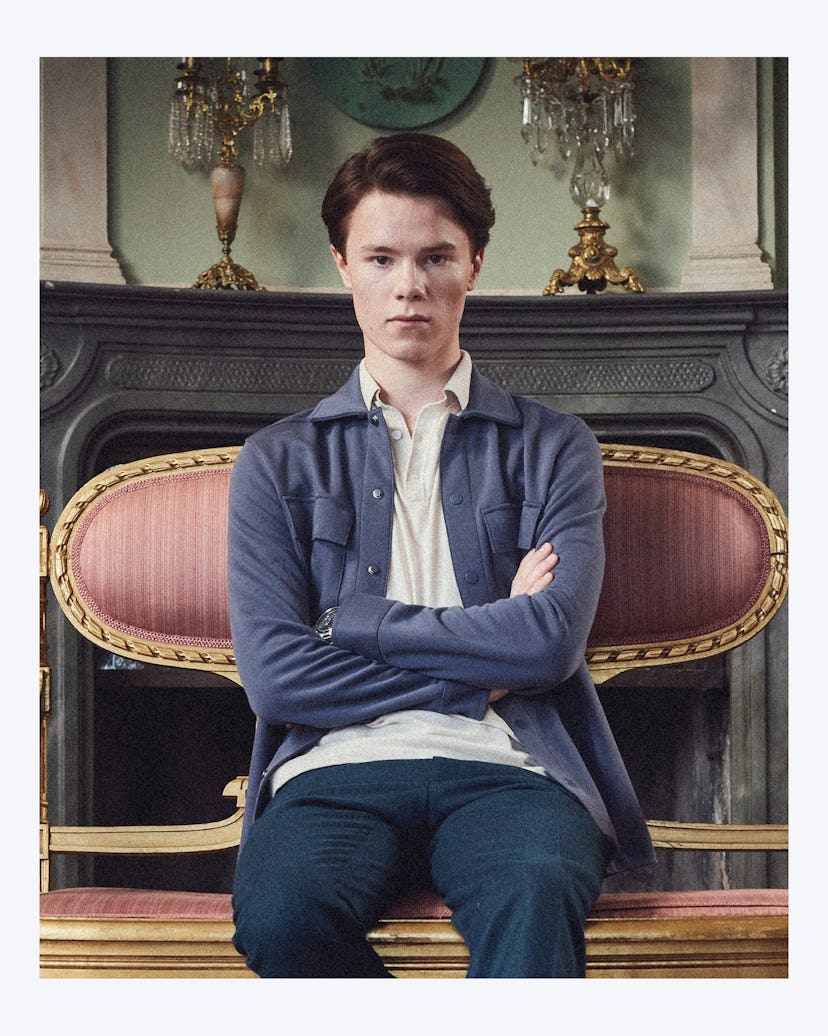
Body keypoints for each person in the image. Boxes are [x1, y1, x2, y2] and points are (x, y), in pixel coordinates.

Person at [228, 132, 654, 979]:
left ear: (476, 264)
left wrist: (352, 623)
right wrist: (480, 661)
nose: (410, 285)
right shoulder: (276, 461)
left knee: (535, 891)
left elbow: (548, 646)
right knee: (280, 916)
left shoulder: (555, 447)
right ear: (343, 266)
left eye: (436, 257)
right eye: (381, 257)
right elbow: (279, 678)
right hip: (334, 769)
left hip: (512, 767)